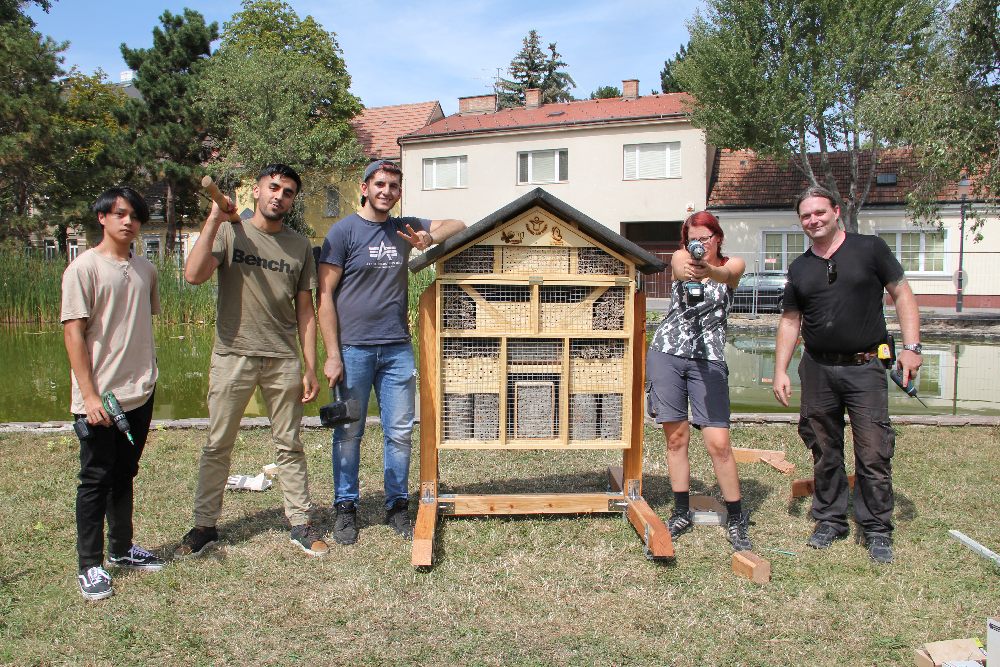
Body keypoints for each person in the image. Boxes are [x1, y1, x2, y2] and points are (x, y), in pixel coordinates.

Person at [176, 164, 328, 558]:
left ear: (292, 201)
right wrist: (214, 217)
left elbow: (306, 311)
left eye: (288, 191)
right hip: (233, 355)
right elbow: (193, 275)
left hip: (282, 359)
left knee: (290, 444)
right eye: (273, 187)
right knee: (217, 444)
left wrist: (310, 366)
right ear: (257, 192)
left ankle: (300, 523)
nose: (280, 195)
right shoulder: (230, 231)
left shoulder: (298, 246)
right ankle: (204, 526)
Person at [316, 159, 465, 545]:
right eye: (379, 184)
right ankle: (345, 508)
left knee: (399, 433)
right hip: (353, 350)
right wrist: (332, 354)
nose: (386, 191)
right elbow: (324, 295)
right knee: (348, 433)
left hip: (397, 349)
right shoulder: (344, 231)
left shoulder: (404, 226)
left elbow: (457, 224)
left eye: (394, 186)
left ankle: (397, 505)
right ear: (364, 188)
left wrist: (427, 240)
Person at [773, 186, 922, 564]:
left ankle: (876, 528)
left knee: (873, 451)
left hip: (866, 366)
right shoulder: (800, 267)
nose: (813, 220)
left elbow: (902, 293)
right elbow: (791, 321)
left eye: (819, 212)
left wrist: (911, 347)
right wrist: (780, 370)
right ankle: (830, 519)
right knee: (823, 448)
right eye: (806, 216)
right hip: (818, 367)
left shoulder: (870, 249)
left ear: (836, 211)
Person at [61, 186, 164, 601]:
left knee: (126, 473)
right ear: (102, 217)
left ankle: (122, 549)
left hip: (140, 391)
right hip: (100, 398)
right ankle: (90, 565)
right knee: (95, 479)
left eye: (135, 216)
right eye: (119, 214)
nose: (128, 221)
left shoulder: (146, 269)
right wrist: (88, 396)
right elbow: (73, 333)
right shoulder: (82, 269)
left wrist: (149, 377)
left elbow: (138, 324)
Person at [646, 211, 752, 552]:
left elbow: (728, 275)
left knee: (718, 442)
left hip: (709, 360)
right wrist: (689, 263)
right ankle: (681, 511)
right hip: (668, 353)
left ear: (717, 237)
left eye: (705, 238)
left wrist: (711, 271)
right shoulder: (681, 256)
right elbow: (678, 266)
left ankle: (736, 518)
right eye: (693, 238)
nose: (699, 244)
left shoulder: (733, 263)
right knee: (676, 439)